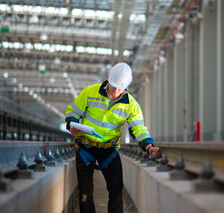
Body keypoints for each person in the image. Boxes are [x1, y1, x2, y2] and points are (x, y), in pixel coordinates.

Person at [65, 62, 161, 213]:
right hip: (85, 148)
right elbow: (73, 111)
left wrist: (149, 145)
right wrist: (72, 124)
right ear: (108, 78)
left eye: (119, 87)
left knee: (116, 192)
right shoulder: (90, 92)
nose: (115, 90)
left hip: (109, 151)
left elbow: (138, 129)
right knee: (85, 193)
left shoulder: (131, 105)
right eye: (113, 85)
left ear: (126, 86)